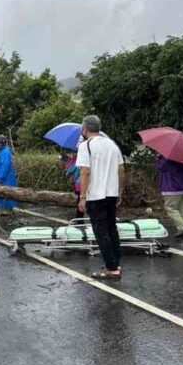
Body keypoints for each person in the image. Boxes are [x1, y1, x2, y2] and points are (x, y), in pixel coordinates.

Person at [76, 116, 125, 280]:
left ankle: (112, 269)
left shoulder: (85, 146)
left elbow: (85, 172)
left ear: (84, 129)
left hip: (95, 195)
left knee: (101, 232)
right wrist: (120, 191)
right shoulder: (112, 144)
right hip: (111, 193)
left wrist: (82, 197)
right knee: (112, 229)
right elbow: (121, 169)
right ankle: (115, 264)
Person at [155, 154, 183, 238]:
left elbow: (160, 167)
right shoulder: (181, 155)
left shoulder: (167, 156)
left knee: (170, 208)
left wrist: (158, 157)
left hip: (173, 188)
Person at [0, 135, 18, 216]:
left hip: (5, 179)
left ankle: (7, 210)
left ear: (2, 143)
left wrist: (1, 177)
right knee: (4, 194)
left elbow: (5, 166)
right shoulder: (4, 151)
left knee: (6, 193)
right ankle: (6, 209)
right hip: (3, 178)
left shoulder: (5, 152)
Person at [60, 152, 84, 219]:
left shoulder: (77, 160)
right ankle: (79, 218)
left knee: (81, 201)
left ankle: (79, 219)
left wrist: (69, 172)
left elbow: (73, 168)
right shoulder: (73, 160)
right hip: (80, 184)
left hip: (81, 184)